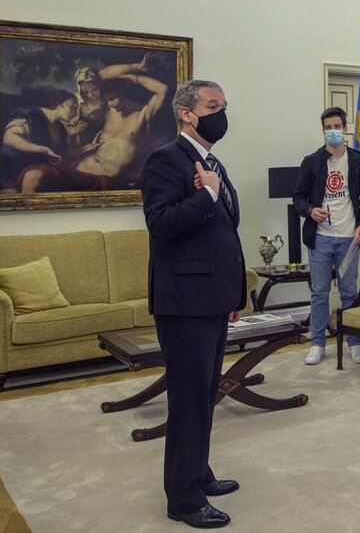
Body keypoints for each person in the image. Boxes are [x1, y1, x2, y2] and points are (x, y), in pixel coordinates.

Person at [141, 79, 246, 529]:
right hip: (184, 303)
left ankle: (198, 474)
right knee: (187, 401)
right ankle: (184, 500)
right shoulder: (166, 159)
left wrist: (232, 294)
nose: (222, 114)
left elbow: (224, 230)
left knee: (204, 396)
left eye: (224, 106)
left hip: (211, 299)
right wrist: (205, 195)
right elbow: (161, 224)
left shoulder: (211, 161)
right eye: (213, 106)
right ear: (186, 113)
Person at [293, 106, 360, 366]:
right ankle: (317, 343)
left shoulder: (358, 161)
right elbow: (298, 197)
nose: (333, 132)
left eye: (337, 127)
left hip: (349, 237)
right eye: (328, 128)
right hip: (321, 238)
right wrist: (310, 210)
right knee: (320, 292)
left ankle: (353, 342)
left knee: (349, 292)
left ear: (345, 128)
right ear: (323, 131)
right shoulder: (312, 161)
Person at [19, 66, 169, 192]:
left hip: (100, 178)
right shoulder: (109, 111)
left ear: (122, 94)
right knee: (32, 177)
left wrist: (131, 77)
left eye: (112, 99)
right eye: (107, 100)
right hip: (79, 167)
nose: (109, 104)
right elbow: (96, 76)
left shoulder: (143, 115)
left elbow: (163, 89)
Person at [0, 87, 78, 191]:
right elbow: (9, 137)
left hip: (33, 169)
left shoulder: (60, 129)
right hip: (12, 168)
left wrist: (89, 147)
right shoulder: (32, 116)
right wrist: (44, 150)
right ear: (60, 104)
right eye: (73, 107)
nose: (76, 113)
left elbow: (62, 151)